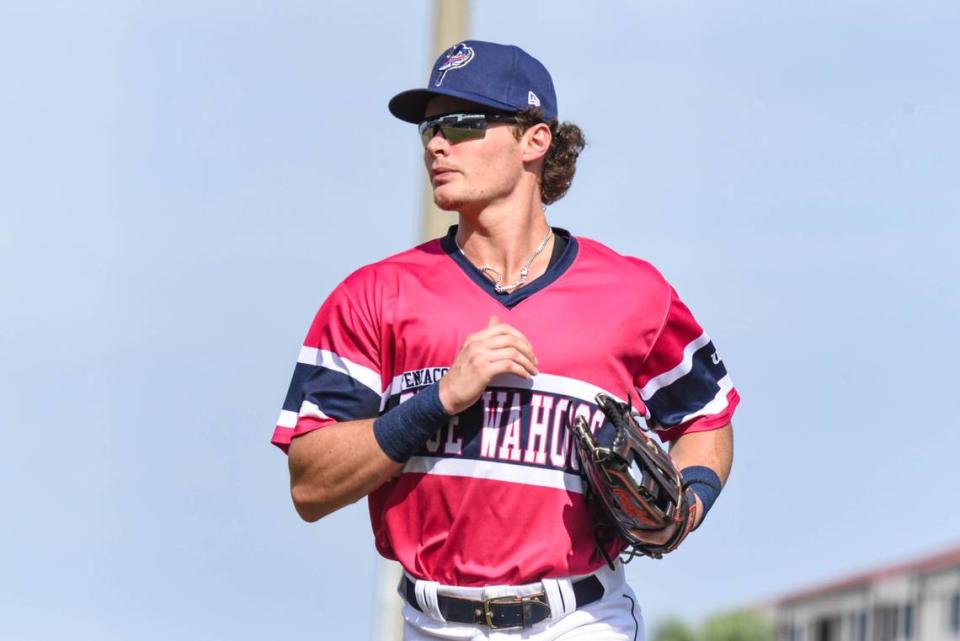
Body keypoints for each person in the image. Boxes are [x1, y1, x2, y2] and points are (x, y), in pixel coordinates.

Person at [271, 40, 738, 640]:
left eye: (462, 123)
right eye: (429, 129)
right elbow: (310, 485)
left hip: (581, 618)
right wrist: (436, 400)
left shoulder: (632, 293)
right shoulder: (374, 294)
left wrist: (690, 503)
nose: (437, 144)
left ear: (535, 140)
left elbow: (704, 417)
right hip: (431, 622)